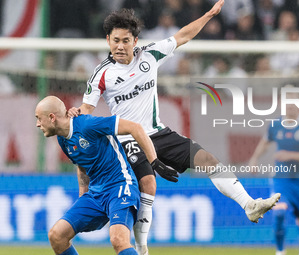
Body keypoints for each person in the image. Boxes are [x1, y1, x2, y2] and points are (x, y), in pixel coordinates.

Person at [68, 2, 280, 254]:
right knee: (148, 183)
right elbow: (87, 110)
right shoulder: (101, 73)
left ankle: (249, 205)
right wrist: (75, 113)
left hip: (158, 133)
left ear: (135, 40)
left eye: (126, 40)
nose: (120, 46)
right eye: (115, 41)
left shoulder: (149, 54)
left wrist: (208, 15)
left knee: (208, 159)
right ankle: (142, 248)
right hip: (127, 140)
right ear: (107, 40)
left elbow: (183, 35)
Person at [35, 96, 177, 255]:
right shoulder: (62, 140)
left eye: (39, 118)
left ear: (52, 117)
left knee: (119, 240)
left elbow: (135, 128)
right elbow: (81, 164)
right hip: (96, 194)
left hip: (121, 186)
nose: (37, 124)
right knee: (57, 236)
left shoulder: (88, 124)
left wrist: (154, 162)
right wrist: (83, 195)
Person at [249, 87, 299, 255]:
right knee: (279, 211)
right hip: (282, 179)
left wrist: (290, 154)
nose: (289, 106)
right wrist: (254, 158)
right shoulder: (276, 125)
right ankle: (280, 251)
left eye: (293, 102)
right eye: (286, 102)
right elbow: (265, 141)